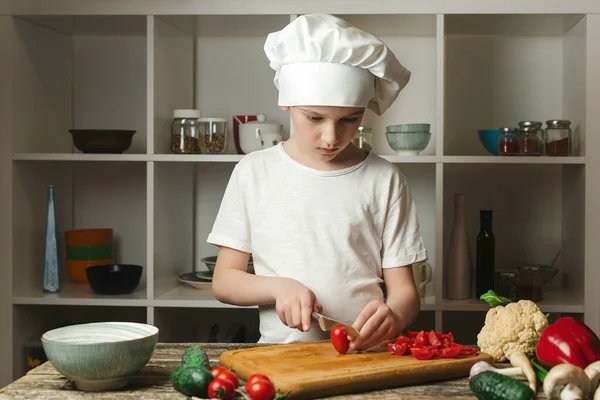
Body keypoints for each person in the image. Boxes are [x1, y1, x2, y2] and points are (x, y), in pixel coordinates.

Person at [209, 13, 428, 351]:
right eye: (314, 118)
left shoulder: (384, 179)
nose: (331, 136)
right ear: (287, 103)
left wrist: (395, 316)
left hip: (365, 356)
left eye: (349, 119)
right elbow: (224, 281)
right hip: (282, 355)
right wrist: (278, 287)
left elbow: (405, 294)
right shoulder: (254, 172)